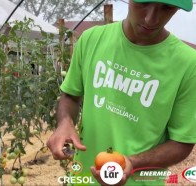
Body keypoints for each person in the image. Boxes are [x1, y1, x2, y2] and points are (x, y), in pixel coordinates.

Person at [47, 0, 196, 185]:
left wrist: (133, 162)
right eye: (144, 3)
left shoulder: (188, 64)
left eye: (167, 8)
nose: (151, 19)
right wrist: (64, 122)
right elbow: (71, 95)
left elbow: (182, 142)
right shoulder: (91, 39)